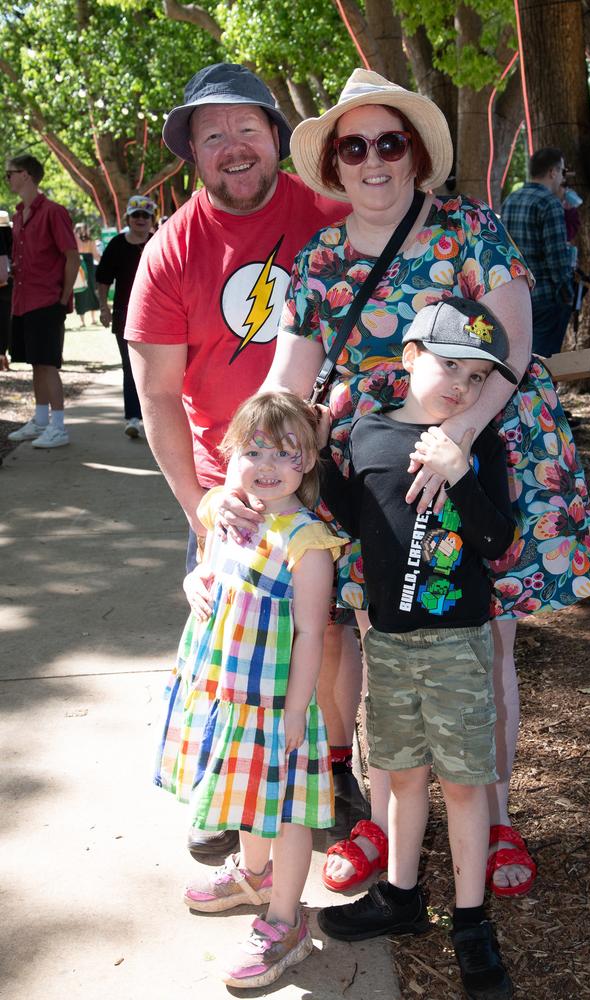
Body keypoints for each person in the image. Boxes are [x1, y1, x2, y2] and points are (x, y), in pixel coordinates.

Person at [219, 69, 590, 900]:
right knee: (373, 636)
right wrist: (241, 473)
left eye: (388, 142)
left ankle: (495, 815)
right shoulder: (319, 259)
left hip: (484, 448)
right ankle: (384, 822)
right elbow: (289, 380)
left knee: (487, 639)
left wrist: (459, 436)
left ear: (416, 153)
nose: (372, 161)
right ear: (334, 163)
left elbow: (513, 343)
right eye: (353, 146)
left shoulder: (468, 226)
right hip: (377, 472)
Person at [124, 62, 359, 864]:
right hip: (232, 486)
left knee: (327, 632)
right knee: (229, 644)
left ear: (274, 136)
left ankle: (330, 766)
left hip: (327, 471)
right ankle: (223, 787)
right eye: (212, 134)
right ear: (192, 150)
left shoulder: (329, 216)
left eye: (246, 129)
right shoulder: (168, 253)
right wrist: (200, 503)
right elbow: (156, 395)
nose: (233, 147)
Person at [317, 298, 517, 998]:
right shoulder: (368, 434)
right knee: (398, 775)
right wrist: (316, 455)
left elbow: (496, 541)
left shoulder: (478, 446)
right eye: (449, 364)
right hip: (390, 649)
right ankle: (401, 898)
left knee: (462, 783)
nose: (461, 384)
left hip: (458, 645)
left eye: (476, 375)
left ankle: (469, 921)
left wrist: (461, 471)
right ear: (408, 359)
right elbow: (353, 515)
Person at [155, 392, 345, 989]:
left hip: (274, 702)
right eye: (254, 449)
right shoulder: (230, 515)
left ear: (308, 462)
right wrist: (193, 579)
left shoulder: (306, 543)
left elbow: (313, 633)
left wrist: (295, 712)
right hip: (225, 689)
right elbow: (208, 570)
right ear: (229, 453)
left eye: (286, 453)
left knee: (286, 811)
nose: (268, 463)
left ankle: (286, 918)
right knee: (245, 790)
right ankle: (253, 876)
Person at [6, 154, 79, 448]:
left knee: (48, 364)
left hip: (47, 300)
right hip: (24, 299)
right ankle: (40, 421)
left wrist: (62, 298)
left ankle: (58, 427)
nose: (7, 179)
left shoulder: (53, 211)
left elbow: (72, 257)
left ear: (25, 174)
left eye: (9, 174)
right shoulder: (18, 214)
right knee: (35, 362)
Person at [501, 147, 574, 357]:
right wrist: (567, 294)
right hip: (545, 298)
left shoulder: (510, 200)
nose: (562, 178)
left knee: (518, 359)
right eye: (561, 172)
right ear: (552, 172)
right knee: (544, 364)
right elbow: (557, 258)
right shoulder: (549, 203)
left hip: (514, 296)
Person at [96, 196, 157, 438]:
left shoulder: (158, 242)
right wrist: (103, 307)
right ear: (128, 218)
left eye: (146, 215)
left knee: (161, 369)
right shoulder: (116, 245)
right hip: (125, 314)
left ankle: (155, 417)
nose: (141, 219)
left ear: (152, 219)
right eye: (136, 215)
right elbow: (103, 279)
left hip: (158, 314)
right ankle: (133, 417)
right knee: (130, 367)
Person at [73, 223, 99, 327]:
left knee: (81, 292)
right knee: (88, 291)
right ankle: (91, 319)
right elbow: (96, 256)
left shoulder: (74, 240)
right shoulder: (90, 241)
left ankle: (84, 321)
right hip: (86, 268)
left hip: (79, 268)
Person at [0, 209, 12, 371]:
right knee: (4, 321)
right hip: (8, 284)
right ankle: (3, 355)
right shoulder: (12, 237)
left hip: (5, 281)